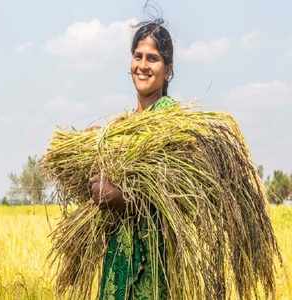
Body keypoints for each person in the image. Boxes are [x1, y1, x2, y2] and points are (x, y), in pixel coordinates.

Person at [89, 19, 175, 300]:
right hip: (119, 259)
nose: (143, 65)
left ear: (168, 71)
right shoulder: (123, 125)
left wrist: (120, 198)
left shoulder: (172, 120)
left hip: (152, 262)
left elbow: (173, 195)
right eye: (138, 56)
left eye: (153, 58)